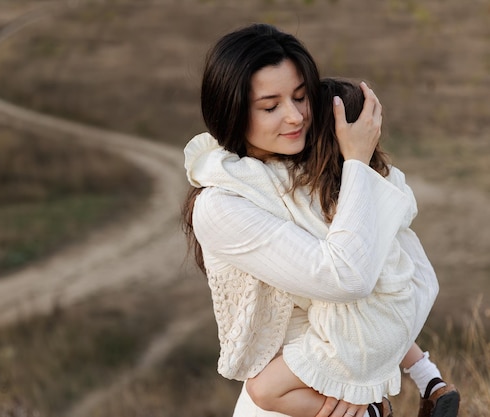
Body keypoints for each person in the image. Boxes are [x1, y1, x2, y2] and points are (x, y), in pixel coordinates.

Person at [181, 24, 459, 417]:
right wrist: (358, 165)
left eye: (300, 97)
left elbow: (382, 270)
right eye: (270, 106)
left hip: (342, 377)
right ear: (232, 110)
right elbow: (348, 277)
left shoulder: (309, 173)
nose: (295, 117)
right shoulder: (222, 205)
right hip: (292, 402)